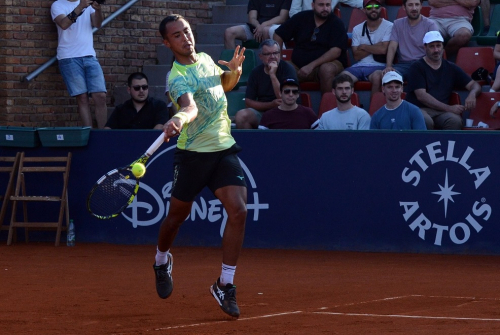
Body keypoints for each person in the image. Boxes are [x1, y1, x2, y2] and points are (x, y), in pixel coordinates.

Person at [155, 14, 248, 318]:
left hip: (222, 147)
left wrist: (234, 71)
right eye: (177, 36)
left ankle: (225, 284)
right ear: (167, 43)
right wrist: (177, 119)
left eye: (187, 31)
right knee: (175, 220)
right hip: (193, 154)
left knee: (238, 210)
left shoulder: (208, 59)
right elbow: (189, 106)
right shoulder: (176, 77)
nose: (185, 38)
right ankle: (161, 259)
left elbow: (223, 87)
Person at [405, 31, 481, 130]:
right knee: (425, 120)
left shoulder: (451, 67)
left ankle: (448, 146)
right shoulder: (417, 67)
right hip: (419, 109)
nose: (436, 50)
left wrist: (472, 94)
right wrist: (449, 108)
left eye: (438, 46)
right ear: (425, 47)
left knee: (455, 121)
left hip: (441, 112)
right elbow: (421, 96)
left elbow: (474, 85)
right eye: (432, 46)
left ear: (443, 47)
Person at [51, 0, 107, 129]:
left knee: (100, 96)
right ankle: (89, 133)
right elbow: (64, 24)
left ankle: (104, 134)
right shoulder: (58, 5)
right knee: (82, 98)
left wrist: (98, 9)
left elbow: (98, 24)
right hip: (68, 57)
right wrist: (81, 6)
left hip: (89, 55)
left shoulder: (88, 5)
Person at [273, 0, 348, 94]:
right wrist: (278, 59)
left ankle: (327, 105)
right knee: (281, 68)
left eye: (328, 5)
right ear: (313, 5)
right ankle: (289, 106)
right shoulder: (301, 17)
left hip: (328, 64)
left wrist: (311, 66)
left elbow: (336, 51)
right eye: (321, 5)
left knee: (326, 69)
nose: (325, 8)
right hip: (298, 66)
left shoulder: (337, 23)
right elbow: (278, 35)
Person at [234, 39, 298, 129]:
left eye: (275, 53)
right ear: (260, 56)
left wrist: (272, 74)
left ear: (279, 54)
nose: (272, 56)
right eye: (268, 54)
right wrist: (270, 105)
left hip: (285, 112)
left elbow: (284, 98)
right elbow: (248, 102)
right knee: (241, 115)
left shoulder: (288, 69)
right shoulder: (256, 72)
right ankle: (249, 143)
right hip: (263, 112)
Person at [371, 0, 438, 84]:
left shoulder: (430, 25)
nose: (414, 8)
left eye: (417, 5)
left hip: (423, 64)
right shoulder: (397, 24)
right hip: (403, 65)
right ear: (404, 7)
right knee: (389, 77)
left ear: (421, 6)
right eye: (410, 5)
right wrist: (389, 66)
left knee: (419, 77)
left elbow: (435, 48)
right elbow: (392, 47)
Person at [340, 0, 393, 96]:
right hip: (359, 66)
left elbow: (383, 50)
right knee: (341, 79)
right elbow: (356, 55)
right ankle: (349, 109)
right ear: (364, 10)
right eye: (369, 7)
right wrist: (378, 46)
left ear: (381, 8)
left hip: (379, 66)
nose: (373, 9)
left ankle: (374, 109)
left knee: (378, 77)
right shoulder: (357, 29)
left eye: (376, 6)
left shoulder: (389, 26)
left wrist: (364, 46)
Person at [104, 73, 169, 129]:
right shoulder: (120, 109)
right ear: (129, 90)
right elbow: (108, 130)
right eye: (137, 88)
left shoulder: (159, 106)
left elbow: (158, 130)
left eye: (144, 87)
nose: (141, 91)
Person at [224, 0, 291, 49]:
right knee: (229, 32)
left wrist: (263, 25)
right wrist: (258, 26)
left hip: (275, 27)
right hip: (256, 28)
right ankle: (232, 64)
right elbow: (252, 18)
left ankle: (269, 64)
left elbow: (282, 18)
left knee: (266, 30)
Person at [289, 0, 362, 17]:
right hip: (305, 24)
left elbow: (358, 1)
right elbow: (293, 11)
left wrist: (371, 4)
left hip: (327, 24)